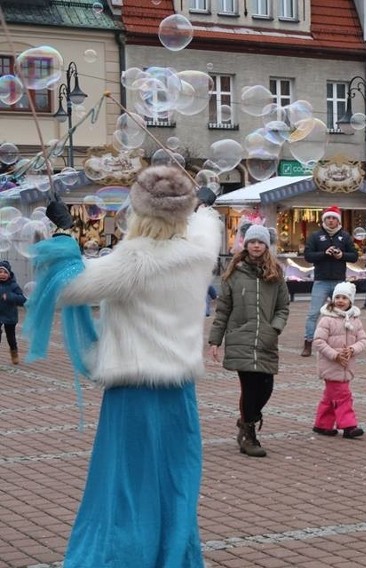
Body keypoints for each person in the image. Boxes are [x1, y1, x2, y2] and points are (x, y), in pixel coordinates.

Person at [30, 166, 222, 567]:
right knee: (174, 484)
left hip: (134, 393)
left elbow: (67, 289)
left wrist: (66, 234)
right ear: (183, 213)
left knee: (127, 488)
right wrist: (200, 201)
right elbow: (206, 221)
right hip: (179, 392)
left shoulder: (134, 261)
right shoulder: (201, 250)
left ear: (139, 212)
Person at [208, 223, 290, 458]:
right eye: (252, 241)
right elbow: (223, 310)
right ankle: (249, 435)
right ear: (246, 244)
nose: (256, 245)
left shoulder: (275, 273)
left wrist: (275, 328)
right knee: (250, 387)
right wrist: (215, 340)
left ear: (266, 245)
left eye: (260, 242)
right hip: (240, 337)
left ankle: (245, 420)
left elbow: (283, 307)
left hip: (265, 338)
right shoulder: (233, 273)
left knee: (266, 387)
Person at [311, 281, 366, 439]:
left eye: (344, 297)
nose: (340, 300)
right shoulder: (327, 319)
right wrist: (335, 354)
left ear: (351, 301)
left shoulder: (355, 320)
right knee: (343, 396)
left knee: (331, 397)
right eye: (338, 297)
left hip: (346, 365)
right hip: (331, 364)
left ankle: (322, 425)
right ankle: (349, 426)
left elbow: (363, 340)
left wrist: (353, 349)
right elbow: (318, 341)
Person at [301, 205, 358, 357]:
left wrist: (341, 255)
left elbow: (354, 255)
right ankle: (308, 342)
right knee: (313, 314)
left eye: (334, 218)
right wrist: (324, 254)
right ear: (324, 220)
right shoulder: (315, 236)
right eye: (328, 218)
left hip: (340, 282)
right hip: (321, 281)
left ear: (337, 220)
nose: (331, 221)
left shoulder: (344, 236)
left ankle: (349, 342)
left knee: (345, 313)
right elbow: (308, 256)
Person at [0, 260, 26, 365]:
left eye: (5, 272)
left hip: (10, 315)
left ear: (9, 274)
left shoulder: (13, 286)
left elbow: (22, 300)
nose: (2, 274)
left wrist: (10, 296)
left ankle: (14, 351)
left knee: (11, 336)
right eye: (0, 271)